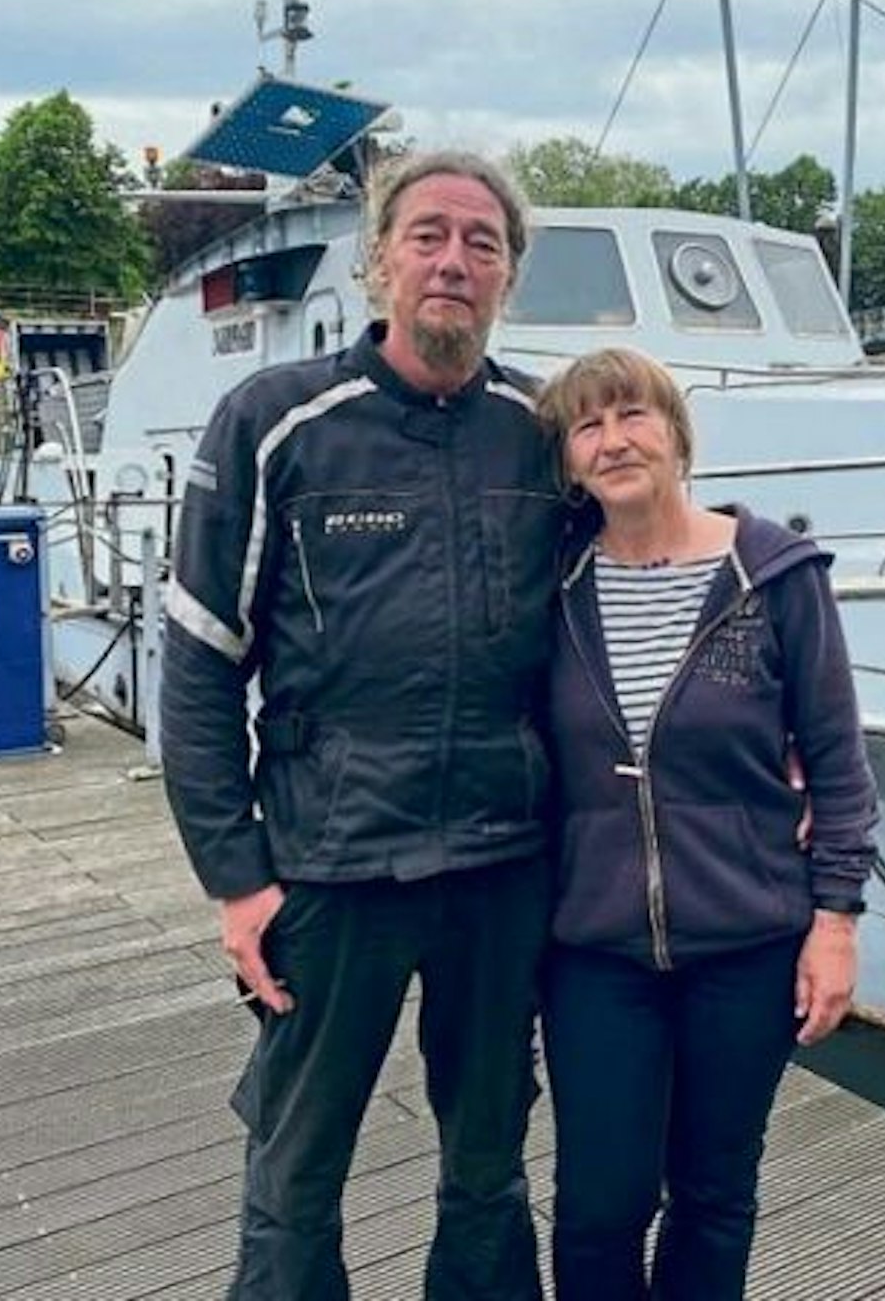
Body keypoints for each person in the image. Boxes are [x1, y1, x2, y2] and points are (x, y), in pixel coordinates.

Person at [160, 150, 562, 1301]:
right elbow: (197, 664)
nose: (452, 260)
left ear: (507, 277)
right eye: (427, 235)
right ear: (377, 258)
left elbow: (641, 571)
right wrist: (237, 879)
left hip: (500, 865)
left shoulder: (541, 431)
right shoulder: (276, 423)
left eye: (481, 243)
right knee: (295, 1173)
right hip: (329, 867)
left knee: (488, 1169)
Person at [536, 347, 880, 1301]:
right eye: (587, 425)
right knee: (599, 1204)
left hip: (747, 941)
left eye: (632, 415)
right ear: (568, 461)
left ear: (677, 434)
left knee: (714, 1195)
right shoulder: (553, 588)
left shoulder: (771, 575)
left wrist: (836, 920)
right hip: (594, 951)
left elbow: (839, 762)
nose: (613, 441)